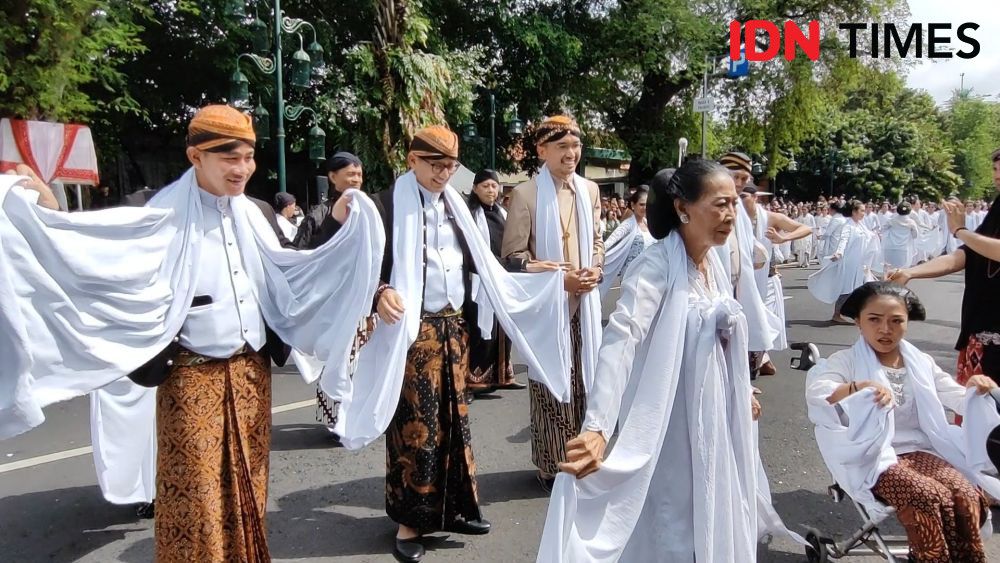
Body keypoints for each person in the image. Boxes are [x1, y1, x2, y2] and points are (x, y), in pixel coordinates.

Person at [0, 105, 385, 563]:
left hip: (249, 376)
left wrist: (341, 227)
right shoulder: (155, 213)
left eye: (247, 156)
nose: (242, 168)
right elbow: (92, 258)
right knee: (197, 500)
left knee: (250, 485)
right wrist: (49, 212)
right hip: (189, 380)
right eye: (228, 158)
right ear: (194, 156)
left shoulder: (258, 213)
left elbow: (296, 270)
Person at [320, 126, 568, 562]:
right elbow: (349, 263)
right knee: (417, 431)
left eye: (450, 167)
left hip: (454, 329)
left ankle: (456, 509)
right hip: (411, 335)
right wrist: (380, 291)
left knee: (455, 423)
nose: (443, 174)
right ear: (412, 160)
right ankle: (409, 522)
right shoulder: (383, 207)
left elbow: (486, 264)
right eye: (435, 165)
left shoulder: (457, 208)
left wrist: (528, 270)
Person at [537, 160, 794, 562]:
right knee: (673, 525)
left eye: (734, 204)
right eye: (720, 204)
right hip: (670, 423)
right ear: (683, 208)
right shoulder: (655, 266)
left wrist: (740, 390)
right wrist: (598, 428)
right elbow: (621, 341)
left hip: (715, 420)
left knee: (715, 510)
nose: (731, 216)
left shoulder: (715, 264)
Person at [806, 282, 1000, 563]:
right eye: (874, 319)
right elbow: (819, 391)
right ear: (858, 321)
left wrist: (975, 389)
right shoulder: (845, 361)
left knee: (965, 493)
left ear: (907, 323)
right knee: (927, 494)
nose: (885, 329)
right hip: (873, 456)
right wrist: (858, 387)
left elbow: (956, 396)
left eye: (896, 321)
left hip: (921, 450)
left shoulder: (919, 361)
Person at [502, 115, 605, 493]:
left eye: (575, 146)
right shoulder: (526, 194)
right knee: (550, 385)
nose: (571, 153)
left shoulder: (589, 191)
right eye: (562, 146)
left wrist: (595, 268)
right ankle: (551, 464)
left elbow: (597, 240)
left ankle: (584, 458)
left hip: (585, 306)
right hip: (549, 310)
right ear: (542, 150)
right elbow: (513, 257)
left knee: (585, 382)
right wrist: (560, 279)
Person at [890, 148, 1000, 390]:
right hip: (981, 330)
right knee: (977, 414)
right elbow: (964, 255)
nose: (997, 175)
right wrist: (911, 272)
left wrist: (960, 231)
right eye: (995, 169)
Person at [465, 168, 527, 395]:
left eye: (494, 186)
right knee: (479, 330)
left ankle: (501, 376)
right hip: (477, 280)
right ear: (475, 189)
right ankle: (472, 383)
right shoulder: (470, 215)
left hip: (503, 278)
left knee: (503, 329)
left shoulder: (503, 213)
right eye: (485, 186)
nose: (491, 191)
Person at [809, 200, 874, 322]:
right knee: (847, 289)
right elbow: (843, 240)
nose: (864, 213)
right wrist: (839, 252)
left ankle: (856, 314)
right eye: (862, 211)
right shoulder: (848, 226)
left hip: (860, 263)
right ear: (854, 212)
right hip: (849, 263)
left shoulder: (860, 225)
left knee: (860, 287)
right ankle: (837, 314)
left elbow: (869, 235)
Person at [293, 151, 364, 249]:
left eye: (359, 175)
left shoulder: (367, 211)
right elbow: (299, 253)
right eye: (351, 174)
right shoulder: (318, 215)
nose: (356, 180)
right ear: (333, 177)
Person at [598, 185, 653, 296]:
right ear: (633, 205)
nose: (645, 208)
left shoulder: (648, 224)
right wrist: (596, 258)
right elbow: (608, 243)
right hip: (631, 275)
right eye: (641, 204)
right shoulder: (628, 225)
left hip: (648, 275)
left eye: (647, 205)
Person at [882, 202, 921, 270]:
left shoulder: (892, 220)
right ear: (909, 211)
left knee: (889, 269)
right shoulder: (911, 222)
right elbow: (915, 235)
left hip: (890, 247)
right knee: (901, 270)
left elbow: (883, 229)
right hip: (903, 249)